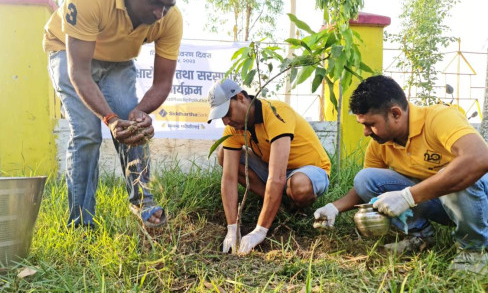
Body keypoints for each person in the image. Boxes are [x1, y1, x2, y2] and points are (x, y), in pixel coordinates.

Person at [42, 0, 188, 229]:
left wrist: (140, 113)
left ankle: (143, 202)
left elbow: (162, 84)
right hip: (69, 52)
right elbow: (79, 73)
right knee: (87, 133)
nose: (159, 13)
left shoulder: (169, 19)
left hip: (118, 61)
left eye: (167, 5)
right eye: (153, 1)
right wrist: (109, 119)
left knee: (134, 127)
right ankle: (80, 224)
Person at [313, 75, 488, 273]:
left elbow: (479, 158)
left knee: (456, 170)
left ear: (395, 113)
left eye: (370, 124)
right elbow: (365, 188)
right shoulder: (381, 143)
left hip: (480, 202)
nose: (365, 132)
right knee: (366, 178)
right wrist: (334, 208)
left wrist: (408, 196)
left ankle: (473, 251)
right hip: (442, 203)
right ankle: (420, 236)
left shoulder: (439, 118)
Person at [207, 79, 331, 254]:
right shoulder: (233, 128)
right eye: (221, 117)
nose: (226, 121)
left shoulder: (276, 113)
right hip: (274, 169)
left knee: (299, 186)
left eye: (227, 112)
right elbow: (228, 177)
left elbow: (277, 176)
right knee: (224, 155)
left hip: (309, 170)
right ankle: (279, 204)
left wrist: (260, 231)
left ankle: (295, 206)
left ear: (241, 97)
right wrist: (232, 228)